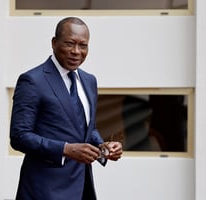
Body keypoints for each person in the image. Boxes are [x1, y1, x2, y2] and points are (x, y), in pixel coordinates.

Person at [10, 17, 123, 200]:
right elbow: (19, 136)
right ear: (54, 43)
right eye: (69, 44)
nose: (76, 52)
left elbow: (86, 129)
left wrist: (103, 148)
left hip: (82, 189)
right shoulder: (32, 81)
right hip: (44, 191)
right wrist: (65, 149)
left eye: (83, 46)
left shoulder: (89, 80)